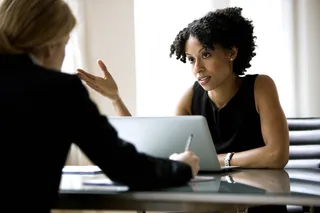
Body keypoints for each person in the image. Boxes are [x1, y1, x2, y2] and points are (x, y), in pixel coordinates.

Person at [77, 7, 290, 213]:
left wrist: (219, 160)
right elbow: (154, 152)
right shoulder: (190, 97)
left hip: (261, 202)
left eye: (205, 55)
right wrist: (116, 99)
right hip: (213, 204)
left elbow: (277, 155)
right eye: (191, 59)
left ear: (232, 53)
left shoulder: (261, 86)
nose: (197, 68)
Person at [0, 0, 199, 212]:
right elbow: (123, 166)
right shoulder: (59, 90)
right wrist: (181, 167)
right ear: (50, 45)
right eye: (65, 44)